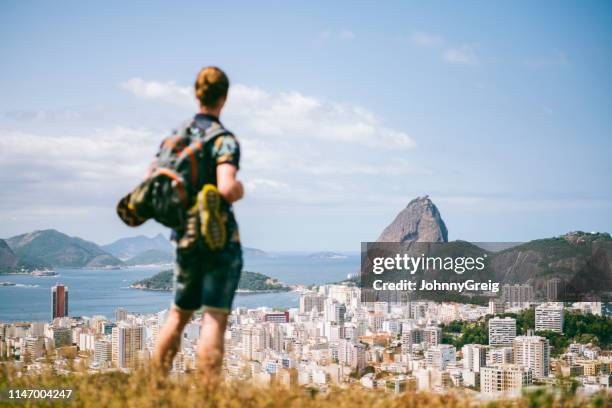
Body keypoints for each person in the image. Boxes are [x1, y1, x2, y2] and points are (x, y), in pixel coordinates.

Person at [152, 66, 244, 382]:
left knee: (177, 316)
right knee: (214, 319)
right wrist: (239, 189)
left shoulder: (173, 140)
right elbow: (226, 187)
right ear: (225, 97)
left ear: (196, 93)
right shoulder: (223, 140)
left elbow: (154, 177)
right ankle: (208, 396)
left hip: (184, 237)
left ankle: (155, 389)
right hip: (219, 240)